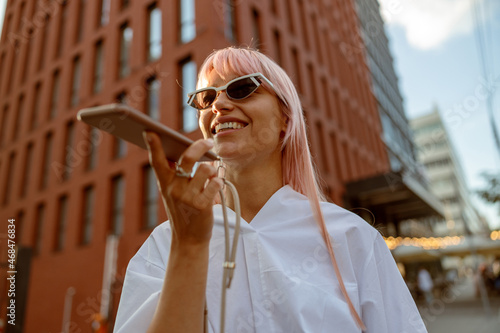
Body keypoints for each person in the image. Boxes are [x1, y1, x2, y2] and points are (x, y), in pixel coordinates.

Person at [113, 47, 427, 332]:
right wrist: (189, 248)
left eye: (242, 88)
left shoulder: (351, 238)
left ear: (285, 119)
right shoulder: (164, 245)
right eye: (206, 98)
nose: (219, 104)